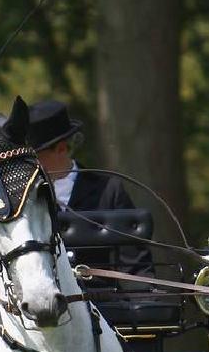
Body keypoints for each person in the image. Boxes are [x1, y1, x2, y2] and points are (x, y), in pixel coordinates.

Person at [27, 99, 155, 276]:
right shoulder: (25, 197)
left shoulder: (108, 190)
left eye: (35, 156)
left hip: (100, 292)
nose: (30, 164)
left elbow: (135, 264)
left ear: (61, 149)